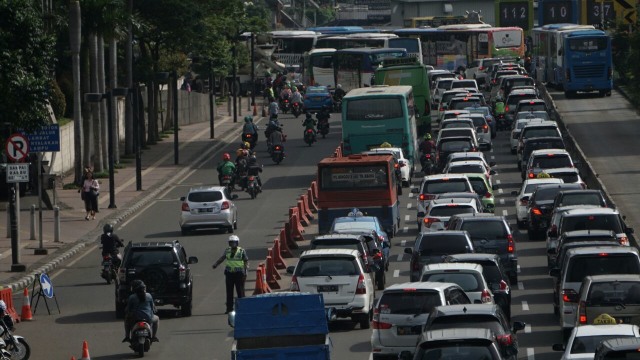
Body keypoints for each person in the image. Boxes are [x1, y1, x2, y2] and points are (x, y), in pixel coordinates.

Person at [212, 235, 249, 314]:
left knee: (240, 291)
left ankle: (243, 308)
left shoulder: (241, 251)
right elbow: (222, 258)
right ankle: (229, 308)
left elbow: (246, 261)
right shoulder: (227, 250)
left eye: (234, 243)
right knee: (229, 291)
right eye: (231, 243)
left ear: (237, 243)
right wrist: (216, 264)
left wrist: (245, 272)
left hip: (239, 274)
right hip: (229, 274)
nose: (233, 244)